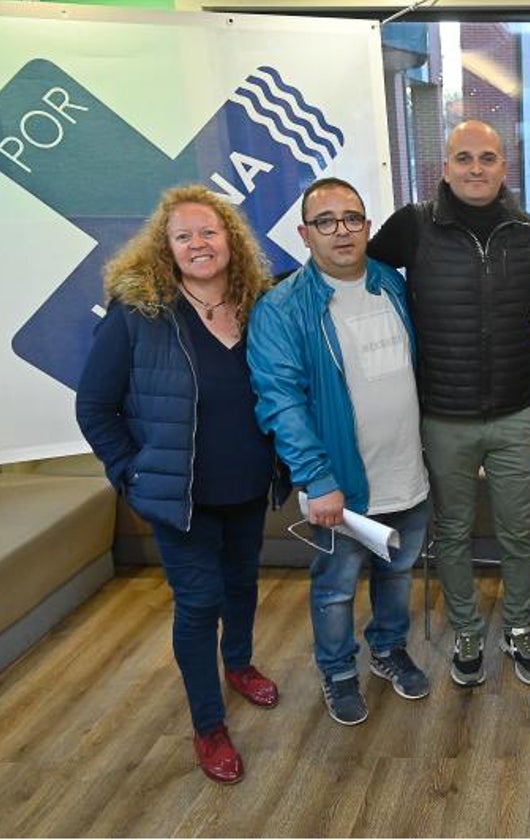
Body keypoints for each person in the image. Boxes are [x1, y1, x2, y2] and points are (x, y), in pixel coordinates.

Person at [76, 184, 279, 785]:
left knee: (242, 584)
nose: (198, 244)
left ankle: (239, 664)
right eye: (184, 235)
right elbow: (95, 408)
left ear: (231, 241)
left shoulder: (258, 303)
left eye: (209, 232)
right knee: (199, 603)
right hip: (176, 496)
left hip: (247, 483)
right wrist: (130, 474)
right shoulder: (138, 315)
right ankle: (208, 724)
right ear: (164, 248)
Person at [368, 120, 530, 688]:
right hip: (443, 415)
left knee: (520, 532)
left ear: (503, 167)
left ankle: (520, 627)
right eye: (464, 158)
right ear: (444, 168)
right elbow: (352, 271)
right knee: (453, 533)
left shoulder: (527, 230)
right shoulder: (414, 226)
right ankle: (467, 629)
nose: (476, 168)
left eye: (487, 158)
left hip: (517, 410)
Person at [248, 177, 431, 726]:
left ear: (368, 227)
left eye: (352, 218)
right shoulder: (281, 309)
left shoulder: (393, 285)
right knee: (335, 589)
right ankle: (338, 671)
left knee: (397, 575)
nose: (341, 231)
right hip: (341, 486)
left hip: (408, 471)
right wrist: (316, 478)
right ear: (305, 234)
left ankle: (387, 649)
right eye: (325, 222)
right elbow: (281, 403)